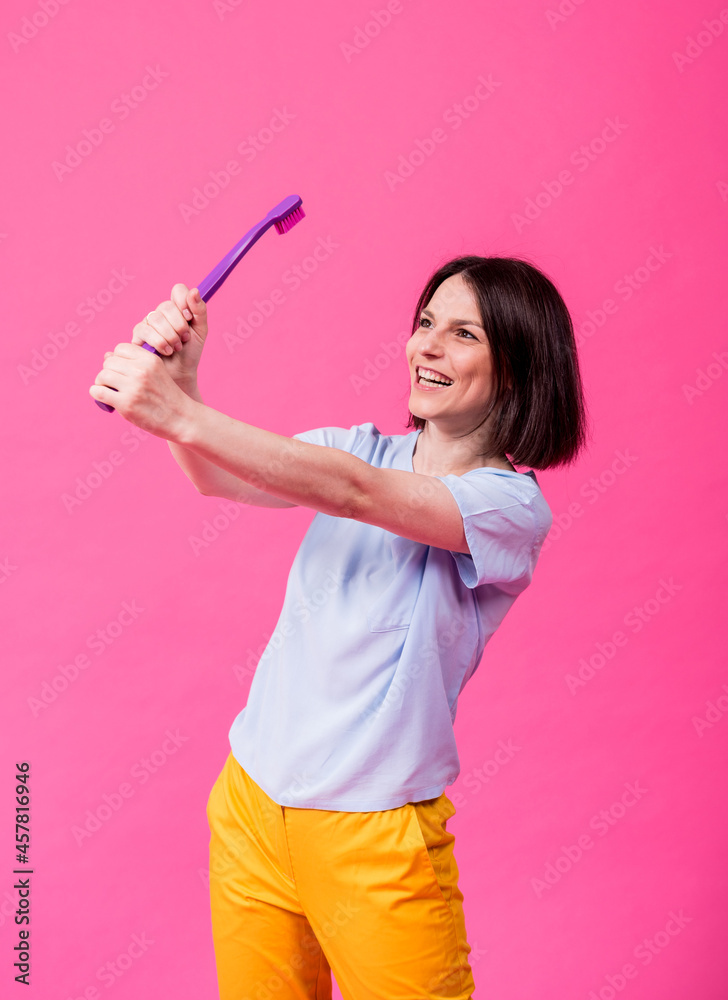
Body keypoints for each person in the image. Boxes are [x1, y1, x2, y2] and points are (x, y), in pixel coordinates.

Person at [90, 253, 589, 999]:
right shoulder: (355, 446)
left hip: (373, 836)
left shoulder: (509, 508)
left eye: (463, 334)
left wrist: (176, 409)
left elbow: (358, 496)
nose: (427, 346)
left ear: (516, 369)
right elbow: (220, 476)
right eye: (425, 323)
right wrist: (184, 386)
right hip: (252, 807)